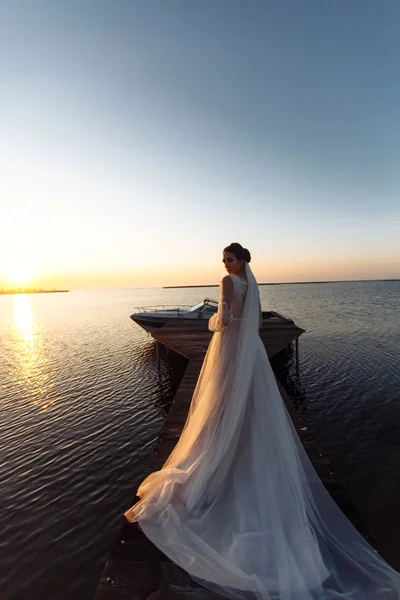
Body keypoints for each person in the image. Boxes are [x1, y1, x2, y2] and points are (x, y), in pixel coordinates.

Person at [125, 243, 400, 599]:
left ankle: (221, 457)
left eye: (230, 259)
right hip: (251, 350)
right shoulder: (252, 284)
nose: (225, 265)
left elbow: (224, 321)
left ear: (241, 261)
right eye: (223, 260)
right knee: (248, 404)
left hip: (230, 348)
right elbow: (245, 318)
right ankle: (240, 448)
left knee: (219, 404)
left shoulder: (227, 283)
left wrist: (211, 321)